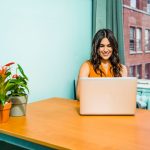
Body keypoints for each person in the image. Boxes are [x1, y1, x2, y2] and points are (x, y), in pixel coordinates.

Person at [76, 29, 127, 100]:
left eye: (109, 46)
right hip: (93, 107)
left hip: (114, 108)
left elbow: (124, 95)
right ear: (96, 48)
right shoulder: (86, 66)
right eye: (102, 46)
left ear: (113, 47)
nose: (105, 50)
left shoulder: (122, 69)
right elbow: (79, 95)